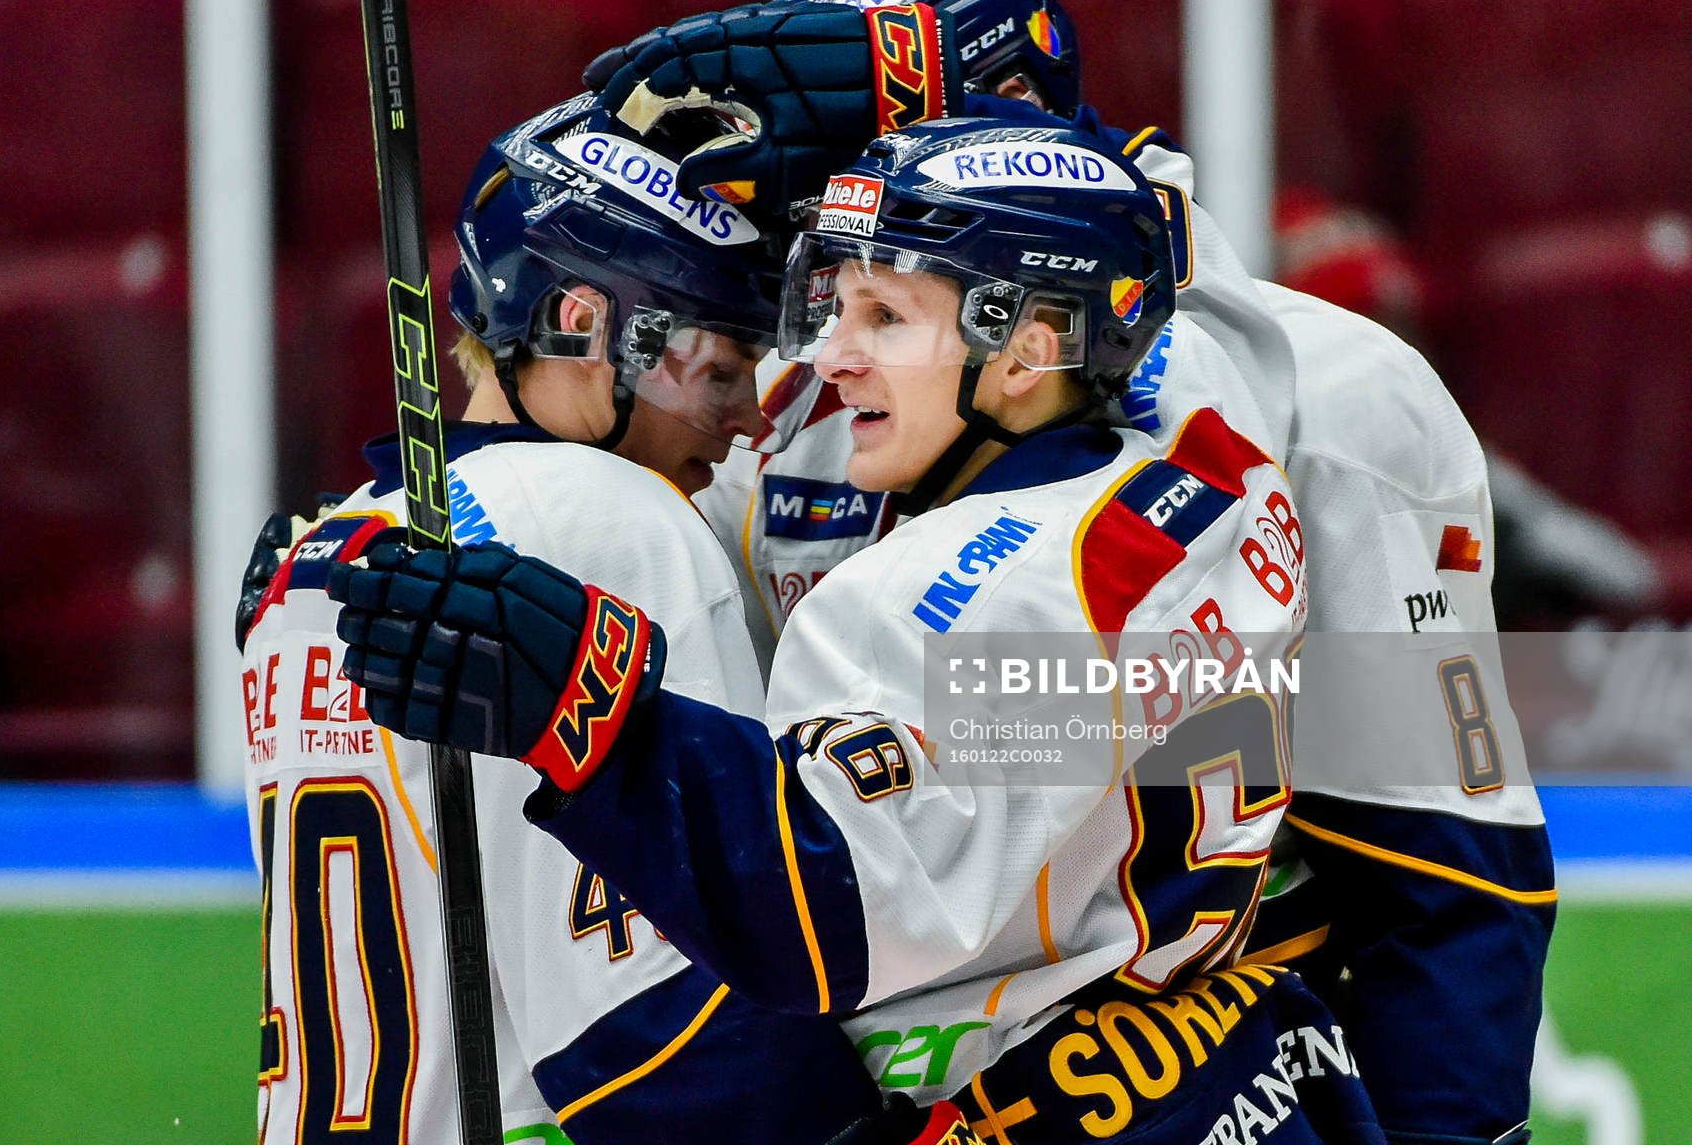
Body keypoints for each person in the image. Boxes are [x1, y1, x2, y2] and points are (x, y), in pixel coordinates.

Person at [587, 0, 1554, 1145]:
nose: (832, 201)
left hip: (1188, 1078)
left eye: (879, 138)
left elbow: (1448, 878)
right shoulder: (824, 405)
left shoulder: (1334, 393)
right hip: (881, 1063)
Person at [332, 118, 1386, 1144]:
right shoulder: (1224, 473)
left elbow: (828, 908)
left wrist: (586, 705)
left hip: (1057, 1101)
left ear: (1028, 346)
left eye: (885, 316)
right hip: (1230, 1075)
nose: (831, 357)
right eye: (835, 306)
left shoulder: (947, 598)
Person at [240, 95, 888, 1144]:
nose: (751, 415)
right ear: (584, 324)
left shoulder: (305, 571)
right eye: (718, 369)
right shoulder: (613, 520)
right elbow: (667, 1027)